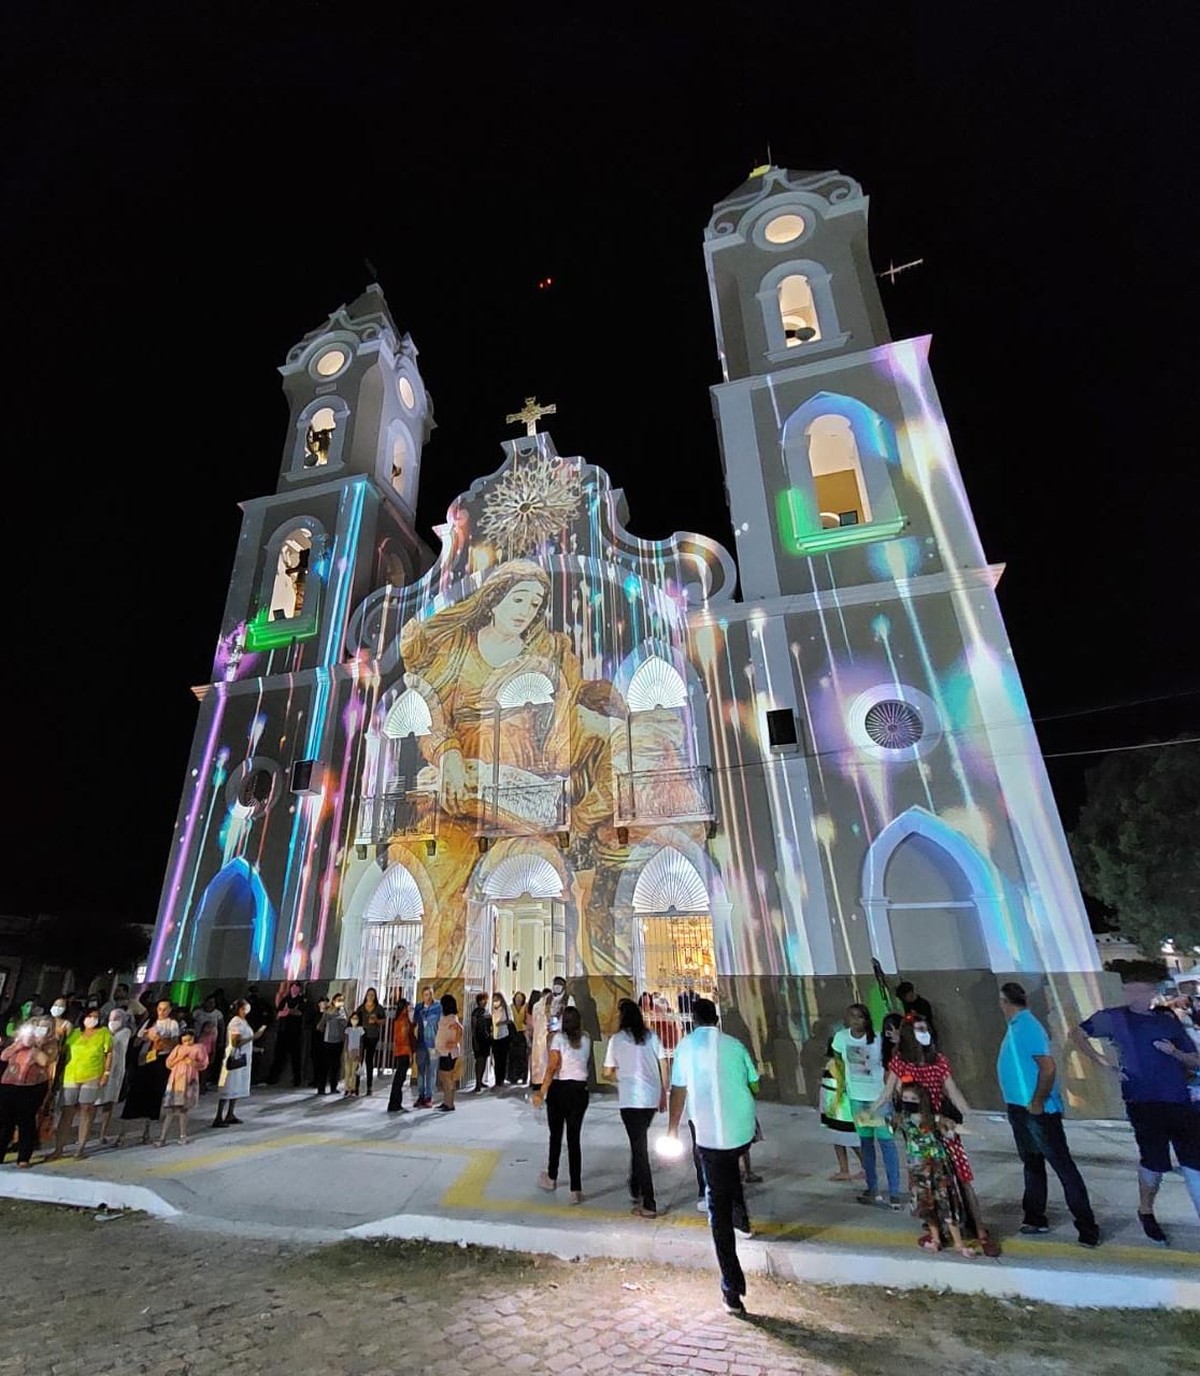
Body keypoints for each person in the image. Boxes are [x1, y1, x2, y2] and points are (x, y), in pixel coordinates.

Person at [398, 561, 619, 1011]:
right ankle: (446, 1006)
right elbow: (429, 714)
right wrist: (450, 755)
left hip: (527, 788)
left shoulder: (550, 649)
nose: (526, 610)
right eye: (519, 598)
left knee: (567, 889)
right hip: (463, 789)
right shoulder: (458, 648)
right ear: (494, 598)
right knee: (445, 890)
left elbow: (567, 722)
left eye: (535, 603)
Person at [1070, 961, 1200, 1244]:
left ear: (1151, 992)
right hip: (1143, 1102)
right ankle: (1146, 1210)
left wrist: (1175, 1053)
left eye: (1138, 991)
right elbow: (1077, 1033)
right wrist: (1102, 1062)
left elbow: (1195, 1059)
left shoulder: (1167, 1020)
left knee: (1194, 1162)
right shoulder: (1114, 1018)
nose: (1132, 997)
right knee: (1154, 1163)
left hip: (1178, 1101)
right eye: (1129, 991)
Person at [874, 1014, 999, 1255]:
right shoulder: (900, 1062)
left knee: (962, 1177)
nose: (924, 1032)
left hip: (942, 1125)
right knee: (927, 1184)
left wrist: (972, 1116)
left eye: (926, 1028)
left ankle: (980, 1230)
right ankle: (938, 1230)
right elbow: (887, 1092)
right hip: (919, 1132)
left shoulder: (939, 1061)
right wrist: (870, 1111)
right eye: (919, 1028)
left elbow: (953, 1092)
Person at [667, 997, 758, 1315]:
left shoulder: (686, 1047)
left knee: (716, 1203)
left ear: (692, 1020)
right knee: (729, 1169)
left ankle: (731, 1288)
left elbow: (678, 1090)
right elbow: (754, 1082)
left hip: (708, 1134)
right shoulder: (735, 1045)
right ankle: (743, 1220)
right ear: (717, 1019)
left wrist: (671, 1130)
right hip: (742, 1132)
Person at [997, 982, 1099, 1247]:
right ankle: (1034, 1217)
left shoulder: (1028, 1026)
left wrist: (1038, 1101)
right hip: (1021, 1110)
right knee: (1032, 1165)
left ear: (1005, 1002)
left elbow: (1048, 1067)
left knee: (1062, 1166)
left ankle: (1087, 1227)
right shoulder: (1017, 1027)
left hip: (1036, 1112)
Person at [832, 1003, 903, 1210]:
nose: (855, 1020)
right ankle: (872, 1188)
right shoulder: (841, 1038)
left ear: (867, 1019)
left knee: (887, 1145)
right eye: (852, 1016)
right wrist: (842, 1086)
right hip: (857, 1099)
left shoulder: (879, 1039)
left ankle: (894, 1192)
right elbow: (837, 1060)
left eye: (860, 1017)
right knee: (866, 1144)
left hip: (879, 1098)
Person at [603, 997, 668, 1217]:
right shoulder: (651, 1037)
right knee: (638, 1142)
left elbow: (607, 1072)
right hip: (650, 1099)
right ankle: (635, 1184)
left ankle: (649, 1202)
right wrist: (663, 1093)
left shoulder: (617, 1040)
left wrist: (620, 1079)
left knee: (639, 1149)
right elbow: (663, 1065)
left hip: (630, 1100)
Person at [893, 1080, 974, 1257]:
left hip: (937, 1168)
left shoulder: (935, 1119)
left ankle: (958, 1243)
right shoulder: (902, 1119)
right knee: (926, 1206)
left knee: (946, 1204)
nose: (908, 1101)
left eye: (913, 1098)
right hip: (918, 1169)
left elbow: (951, 1130)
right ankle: (936, 1238)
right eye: (905, 1097)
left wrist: (954, 1129)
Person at [533, 1004, 591, 1204]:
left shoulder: (558, 1039)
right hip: (580, 1091)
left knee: (556, 1136)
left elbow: (552, 1067)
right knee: (574, 1140)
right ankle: (576, 1189)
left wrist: (541, 1092)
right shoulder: (586, 1039)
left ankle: (551, 1176)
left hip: (560, 1090)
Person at [51, 1004, 114, 1160]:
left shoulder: (104, 1033)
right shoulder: (75, 1033)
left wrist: (106, 1073)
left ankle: (80, 1147)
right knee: (67, 1111)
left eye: (95, 1017)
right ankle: (58, 1149)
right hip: (71, 1075)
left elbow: (109, 1054)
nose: (92, 1019)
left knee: (86, 1109)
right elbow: (64, 1051)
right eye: (89, 1016)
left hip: (92, 1075)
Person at [0, 1015, 59, 1167]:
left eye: (44, 1027)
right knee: (6, 1121)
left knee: (26, 1120)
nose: (40, 1030)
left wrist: (34, 1046)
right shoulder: (20, 1041)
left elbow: (45, 1061)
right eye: (37, 1026)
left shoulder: (51, 1044)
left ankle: (24, 1156)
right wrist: (19, 1044)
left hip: (33, 1086)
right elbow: (4, 1056)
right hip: (10, 1083)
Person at [120, 1000, 180, 1147]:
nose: (162, 1012)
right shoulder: (150, 1022)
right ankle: (123, 1133)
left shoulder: (172, 1024)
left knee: (154, 1095)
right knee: (135, 1093)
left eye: (165, 1009)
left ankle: (146, 1131)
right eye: (159, 1009)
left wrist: (159, 1039)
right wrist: (145, 1037)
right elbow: (136, 1042)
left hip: (160, 1059)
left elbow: (174, 1044)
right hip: (144, 1059)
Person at [818, 1035, 863, 1182]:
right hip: (838, 1111)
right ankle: (848, 1169)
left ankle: (854, 1169)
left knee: (850, 1142)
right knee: (841, 1140)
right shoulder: (840, 1064)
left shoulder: (835, 1065)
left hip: (840, 1112)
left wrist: (830, 1108)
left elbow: (838, 1089)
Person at [213, 998, 263, 1127]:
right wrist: (254, 1037)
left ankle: (230, 1113)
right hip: (233, 1056)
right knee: (228, 1086)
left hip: (243, 1057)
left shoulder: (243, 1021)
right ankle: (219, 1116)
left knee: (237, 1086)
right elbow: (235, 1042)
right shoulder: (235, 1022)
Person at [159, 1026, 209, 1145]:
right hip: (176, 1079)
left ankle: (183, 1135)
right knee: (170, 1109)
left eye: (189, 1040)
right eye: (185, 1040)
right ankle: (162, 1137)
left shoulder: (199, 1048)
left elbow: (204, 1063)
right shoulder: (178, 1048)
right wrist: (179, 1059)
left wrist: (193, 1063)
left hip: (189, 1079)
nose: (187, 1043)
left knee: (183, 1109)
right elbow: (168, 1063)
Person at [95, 1009, 133, 1144]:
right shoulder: (102, 1031)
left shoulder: (125, 1032)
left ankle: (103, 1133)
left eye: (117, 1018)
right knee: (94, 1102)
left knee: (108, 1102)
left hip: (115, 1071)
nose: (113, 1021)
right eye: (112, 1018)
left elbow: (114, 1044)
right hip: (99, 1069)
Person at [268, 982, 307, 1087]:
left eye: (296, 987)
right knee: (278, 1056)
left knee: (296, 1058)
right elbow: (279, 1013)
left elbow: (300, 1013)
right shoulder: (285, 999)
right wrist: (282, 1013)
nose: (294, 989)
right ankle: (272, 1078)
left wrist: (289, 1011)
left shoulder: (301, 1000)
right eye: (292, 987)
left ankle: (297, 1080)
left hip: (295, 1033)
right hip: (283, 1031)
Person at [354, 987, 387, 1095]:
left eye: (372, 995)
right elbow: (355, 1020)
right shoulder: (361, 1008)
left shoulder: (379, 1008)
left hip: (373, 1036)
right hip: (361, 1036)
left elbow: (383, 1021)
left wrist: (376, 1020)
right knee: (359, 1060)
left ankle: (369, 1086)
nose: (370, 997)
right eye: (369, 995)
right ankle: (356, 1085)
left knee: (369, 1060)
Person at [434, 993, 463, 1112]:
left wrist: (454, 1042)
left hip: (449, 1052)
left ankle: (450, 1103)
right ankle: (446, 1101)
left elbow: (460, 1029)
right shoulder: (447, 1017)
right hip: (443, 1051)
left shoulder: (452, 1018)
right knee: (443, 1076)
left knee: (447, 1077)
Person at [413, 986, 441, 1108]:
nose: (427, 997)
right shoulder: (418, 1008)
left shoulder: (438, 1007)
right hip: (421, 1043)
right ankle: (421, 1095)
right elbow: (415, 1023)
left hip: (434, 1042)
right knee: (421, 1070)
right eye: (425, 994)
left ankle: (429, 1096)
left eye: (429, 994)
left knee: (431, 1071)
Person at [316, 993, 348, 1096]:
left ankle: (333, 1087)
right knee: (325, 1065)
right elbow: (320, 1026)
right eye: (338, 1000)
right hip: (328, 1041)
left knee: (336, 1065)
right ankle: (321, 1088)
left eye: (342, 1000)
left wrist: (343, 1021)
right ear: (333, 1001)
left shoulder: (343, 1012)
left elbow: (346, 1026)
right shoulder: (328, 1012)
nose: (340, 1002)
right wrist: (326, 1021)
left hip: (338, 1041)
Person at [387, 996, 415, 1112]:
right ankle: (395, 1104)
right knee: (400, 1078)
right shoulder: (403, 1020)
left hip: (399, 1051)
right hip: (404, 1051)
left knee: (399, 1078)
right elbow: (404, 1038)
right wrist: (410, 1053)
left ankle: (395, 1103)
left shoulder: (398, 1019)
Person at [192, 995, 224, 1091]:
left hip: (211, 1042)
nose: (211, 1004)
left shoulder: (217, 1013)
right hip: (198, 1040)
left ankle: (204, 1083)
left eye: (213, 1002)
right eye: (209, 1002)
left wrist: (221, 1040)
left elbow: (222, 1027)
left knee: (209, 1064)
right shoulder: (197, 1012)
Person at [490, 992, 513, 1091]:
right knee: (496, 1059)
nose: (495, 1002)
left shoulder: (506, 1008)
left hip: (504, 1036)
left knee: (502, 1059)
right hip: (494, 1037)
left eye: (497, 999)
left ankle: (501, 1080)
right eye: (494, 1000)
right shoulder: (492, 1009)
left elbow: (511, 1020)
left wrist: (501, 1023)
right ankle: (497, 1080)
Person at [529, 988, 552, 1089]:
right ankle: (542, 1081)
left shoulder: (536, 1006)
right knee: (542, 1059)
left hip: (540, 1036)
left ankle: (538, 1082)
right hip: (543, 1035)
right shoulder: (542, 1006)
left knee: (540, 1060)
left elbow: (534, 1022)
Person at [470, 992, 492, 1092]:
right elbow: (473, 1028)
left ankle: (481, 1081)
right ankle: (477, 1083)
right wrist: (474, 1040)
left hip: (486, 1040)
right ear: (478, 1001)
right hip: (478, 1039)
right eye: (483, 1000)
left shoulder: (486, 1012)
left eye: (486, 999)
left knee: (484, 1061)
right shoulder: (476, 1012)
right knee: (479, 1060)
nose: (485, 1002)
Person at [507, 991, 530, 1085]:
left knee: (522, 1057)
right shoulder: (510, 1007)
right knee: (512, 1056)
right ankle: (513, 1077)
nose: (518, 1000)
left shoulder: (526, 1007)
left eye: (520, 998)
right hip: (512, 1034)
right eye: (517, 998)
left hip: (522, 1033)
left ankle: (523, 1077)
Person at [342, 1012, 365, 1097]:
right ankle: (346, 1088)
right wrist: (346, 1051)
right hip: (348, 1052)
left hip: (356, 1052)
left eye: (356, 1018)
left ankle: (353, 1088)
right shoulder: (348, 1029)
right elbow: (346, 1041)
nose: (354, 1020)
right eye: (353, 1018)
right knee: (347, 1071)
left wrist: (360, 1054)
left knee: (353, 1072)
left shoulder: (361, 1030)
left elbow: (361, 1043)